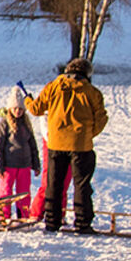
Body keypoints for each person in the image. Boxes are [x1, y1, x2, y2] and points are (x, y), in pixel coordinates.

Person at [26, 58, 107, 233]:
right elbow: (101, 118)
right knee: (82, 185)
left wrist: (28, 100)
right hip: (81, 146)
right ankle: (82, 223)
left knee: (54, 184)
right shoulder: (92, 92)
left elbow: (35, 109)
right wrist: (88, 134)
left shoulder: (53, 87)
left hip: (56, 143)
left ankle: (52, 222)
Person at [0, 89, 40, 220]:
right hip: (9, 165)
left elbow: (33, 146)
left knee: (24, 192)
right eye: (15, 108)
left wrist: (36, 164)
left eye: (20, 109)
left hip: (25, 164)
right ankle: (4, 215)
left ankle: (23, 214)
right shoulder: (3, 125)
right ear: (10, 109)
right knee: (6, 191)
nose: (18, 111)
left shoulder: (26, 125)